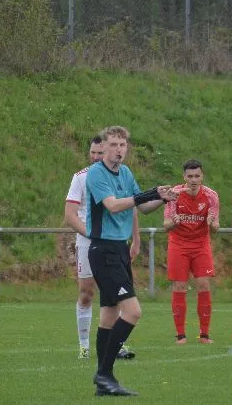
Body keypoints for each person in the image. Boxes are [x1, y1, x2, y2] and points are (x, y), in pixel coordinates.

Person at [86, 126, 177, 397]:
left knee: (109, 315)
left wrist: (160, 198)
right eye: (114, 145)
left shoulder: (125, 172)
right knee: (133, 311)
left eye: (123, 145)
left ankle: (104, 382)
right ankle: (104, 374)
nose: (119, 150)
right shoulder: (96, 173)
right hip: (104, 249)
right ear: (103, 147)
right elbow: (113, 205)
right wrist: (148, 194)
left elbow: (142, 207)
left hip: (119, 250)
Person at [64, 135, 138, 360]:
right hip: (91, 240)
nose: (96, 157)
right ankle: (84, 346)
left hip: (115, 241)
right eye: (93, 153)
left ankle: (116, 345)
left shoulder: (121, 174)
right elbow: (70, 215)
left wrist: (136, 239)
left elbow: (131, 207)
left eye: (99, 152)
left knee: (116, 294)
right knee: (86, 293)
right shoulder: (81, 177)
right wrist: (93, 234)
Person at [163, 159, 220, 344]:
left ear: (202, 176)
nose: (194, 180)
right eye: (190, 176)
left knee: (203, 284)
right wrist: (174, 221)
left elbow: (216, 226)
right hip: (178, 244)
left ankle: (204, 334)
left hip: (201, 245)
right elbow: (166, 224)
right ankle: (180, 335)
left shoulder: (211, 196)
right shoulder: (175, 194)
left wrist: (212, 223)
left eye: (197, 176)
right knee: (180, 286)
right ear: (184, 177)